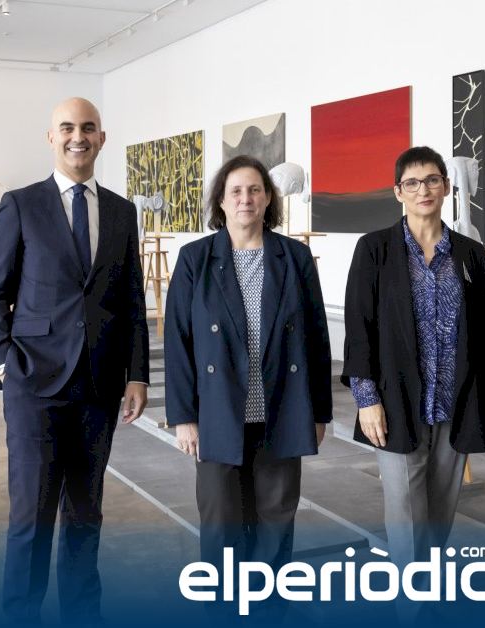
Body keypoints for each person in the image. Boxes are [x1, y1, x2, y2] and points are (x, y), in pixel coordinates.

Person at [0, 97, 149, 624]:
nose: (79, 136)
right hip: (34, 384)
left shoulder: (121, 211)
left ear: (102, 138)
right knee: (31, 519)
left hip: (99, 386)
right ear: (51, 137)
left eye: (89, 128)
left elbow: (132, 300)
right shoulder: (21, 205)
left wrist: (138, 375)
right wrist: (3, 364)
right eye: (68, 128)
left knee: (85, 517)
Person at [163, 155, 332, 616]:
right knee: (221, 523)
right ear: (221, 200)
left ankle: (270, 610)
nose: (246, 199)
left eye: (255, 190)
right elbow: (178, 342)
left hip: (281, 410)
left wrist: (319, 412)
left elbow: (317, 338)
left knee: (276, 520)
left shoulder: (293, 257)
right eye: (236, 191)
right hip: (218, 414)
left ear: (268, 198)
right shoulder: (195, 259)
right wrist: (184, 417)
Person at [341, 146, 485, 573]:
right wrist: (366, 399)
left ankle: (426, 588)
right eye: (411, 183)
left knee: (440, 514)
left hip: (456, 401)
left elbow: (484, 328)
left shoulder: (469, 253)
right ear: (398, 192)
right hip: (395, 401)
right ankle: (412, 599)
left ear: (445, 187)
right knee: (406, 514)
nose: (423, 190)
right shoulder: (374, 249)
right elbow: (359, 329)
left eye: (432, 180)